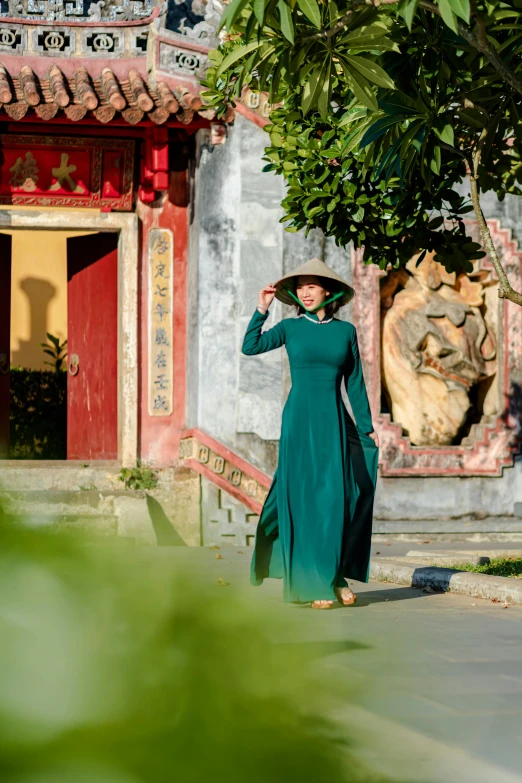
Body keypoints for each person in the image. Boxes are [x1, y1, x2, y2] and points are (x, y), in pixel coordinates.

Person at [242, 258, 379, 609]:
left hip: (334, 420)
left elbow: (356, 383)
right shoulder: (290, 328)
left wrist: (367, 427)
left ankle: (334, 574)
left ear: (328, 291)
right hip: (300, 421)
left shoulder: (345, 332)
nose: (305, 292)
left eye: (312, 286)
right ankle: (315, 582)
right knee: (303, 500)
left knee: (337, 497)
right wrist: (262, 309)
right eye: (300, 287)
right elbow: (251, 346)